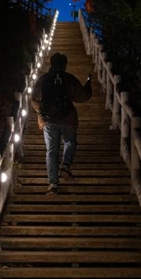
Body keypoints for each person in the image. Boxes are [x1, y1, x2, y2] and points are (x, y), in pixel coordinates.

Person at [31, 52, 92, 194]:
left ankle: (52, 184)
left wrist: (41, 113)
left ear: (51, 64)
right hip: (68, 118)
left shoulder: (44, 79)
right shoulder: (69, 79)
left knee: (51, 151)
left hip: (49, 120)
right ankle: (65, 166)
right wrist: (88, 84)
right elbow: (82, 96)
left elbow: (34, 99)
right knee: (70, 142)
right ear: (65, 65)